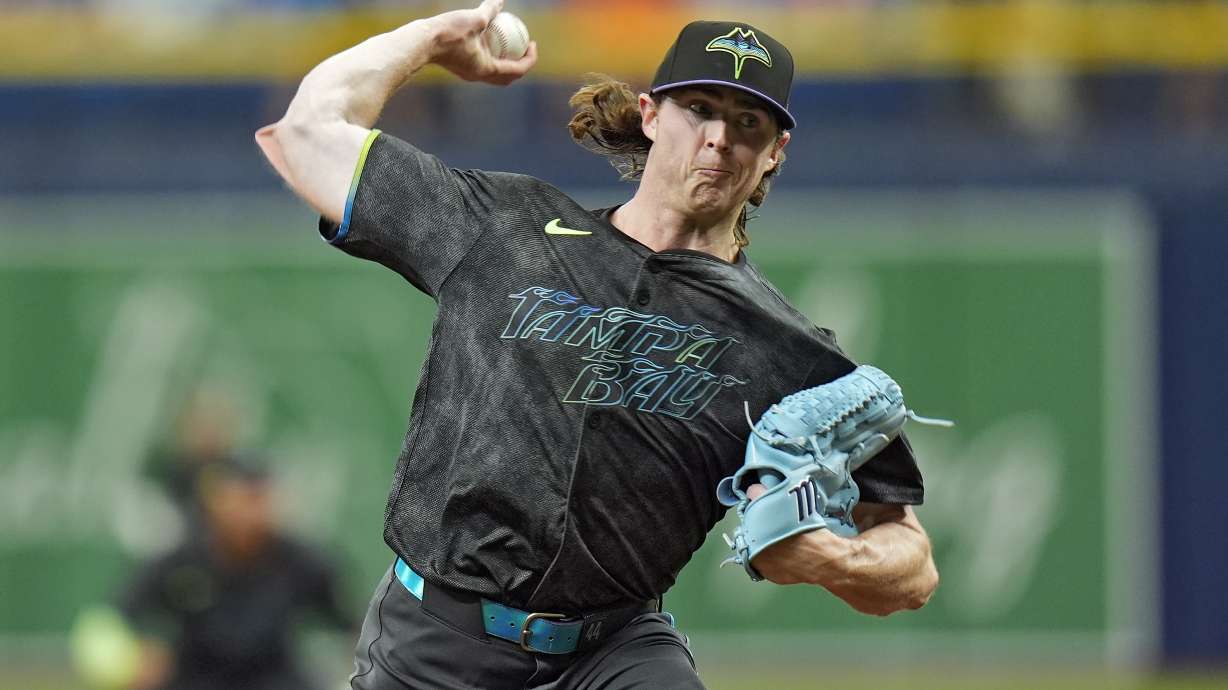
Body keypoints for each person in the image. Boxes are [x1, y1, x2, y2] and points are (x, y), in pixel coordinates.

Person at [255, 1, 939, 687]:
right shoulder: (504, 229)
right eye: (699, 108)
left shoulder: (784, 350)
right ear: (650, 115)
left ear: (772, 155)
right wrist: (428, 40)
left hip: (612, 652)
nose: (719, 138)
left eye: (748, 122)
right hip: (437, 640)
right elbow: (307, 134)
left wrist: (830, 558)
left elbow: (912, 563)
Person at [117, 454, 357, 690]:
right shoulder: (181, 562)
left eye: (261, 499)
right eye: (245, 498)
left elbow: (355, 624)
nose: (254, 512)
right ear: (216, 501)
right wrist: (140, 654)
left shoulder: (302, 562)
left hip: (275, 678)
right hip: (195, 677)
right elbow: (121, 617)